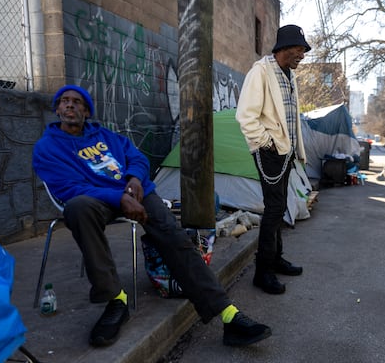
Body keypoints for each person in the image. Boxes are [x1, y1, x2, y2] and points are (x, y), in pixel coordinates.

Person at [32, 85, 271, 347]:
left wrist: (134, 179)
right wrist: (117, 197)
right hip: (97, 200)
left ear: (87, 111)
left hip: (135, 193)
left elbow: (138, 159)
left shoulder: (109, 137)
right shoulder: (47, 147)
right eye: (64, 101)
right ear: (57, 109)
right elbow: (67, 188)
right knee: (77, 208)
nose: (70, 106)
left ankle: (228, 315)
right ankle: (116, 300)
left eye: (77, 102)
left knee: (173, 236)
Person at [235, 24, 309, 295]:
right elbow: (245, 115)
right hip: (269, 152)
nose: (302, 55)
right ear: (283, 49)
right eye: (298, 50)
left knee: (279, 208)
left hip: (285, 152)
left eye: (303, 51)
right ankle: (262, 271)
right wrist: (266, 143)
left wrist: (292, 149)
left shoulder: (289, 74)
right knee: (274, 209)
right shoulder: (261, 72)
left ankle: (275, 258)